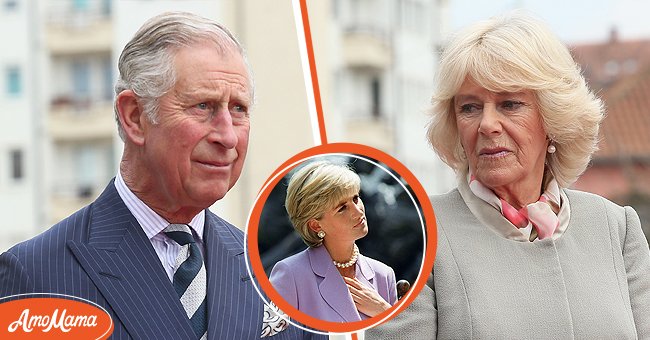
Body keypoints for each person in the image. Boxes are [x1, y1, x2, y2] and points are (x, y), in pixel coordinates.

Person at [0, 12, 319, 339]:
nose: (228, 136)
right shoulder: (35, 276)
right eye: (203, 106)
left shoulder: (284, 277)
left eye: (238, 109)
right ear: (135, 117)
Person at [367, 12, 650, 339]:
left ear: (552, 120)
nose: (487, 124)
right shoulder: (417, 232)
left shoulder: (616, 228)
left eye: (510, 104)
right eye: (469, 107)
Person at [269, 160, 398, 323]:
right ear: (316, 225)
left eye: (356, 198)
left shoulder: (384, 274)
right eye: (342, 208)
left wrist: (383, 310)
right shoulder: (291, 275)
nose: (358, 211)